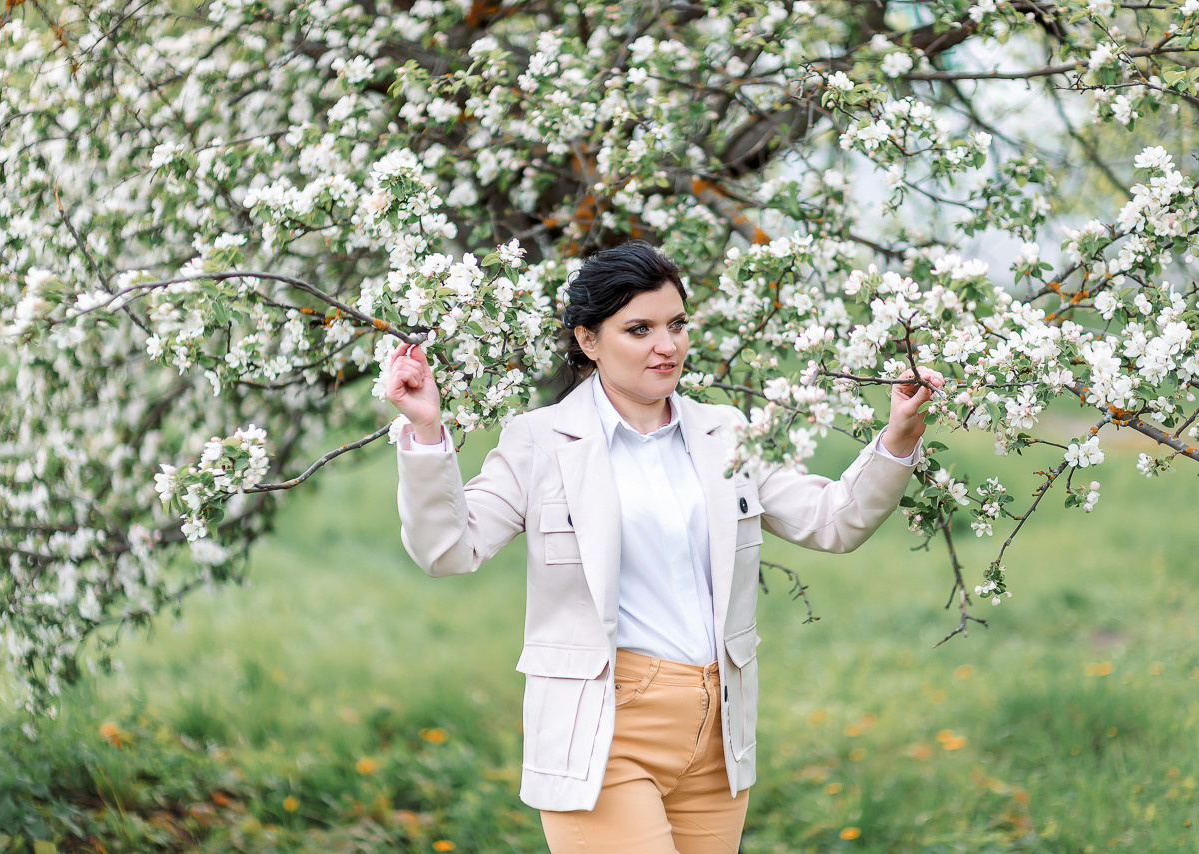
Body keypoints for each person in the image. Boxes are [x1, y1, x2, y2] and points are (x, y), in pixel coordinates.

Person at [384, 241, 943, 853]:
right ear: (589, 341)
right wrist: (427, 430)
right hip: (606, 730)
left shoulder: (724, 431)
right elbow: (447, 551)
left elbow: (836, 521)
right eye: (639, 328)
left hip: (718, 733)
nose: (667, 345)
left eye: (676, 324)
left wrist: (899, 434)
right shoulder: (540, 441)